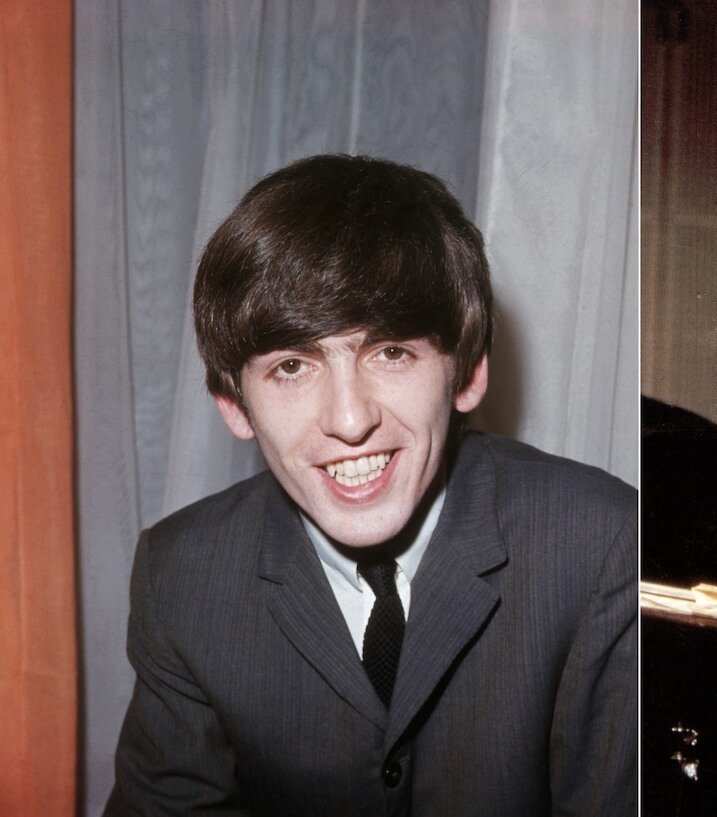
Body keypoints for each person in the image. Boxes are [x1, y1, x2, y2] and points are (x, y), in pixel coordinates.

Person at [104, 155, 637, 817]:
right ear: (233, 405)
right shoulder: (181, 574)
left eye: (391, 352)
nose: (351, 420)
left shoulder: (601, 542)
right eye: (292, 366)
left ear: (467, 372)